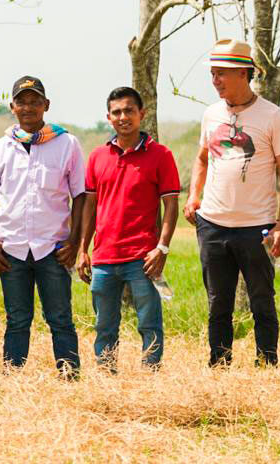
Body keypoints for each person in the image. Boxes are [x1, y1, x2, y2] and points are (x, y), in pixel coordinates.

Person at [184, 39, 280, 367]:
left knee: (262, 300)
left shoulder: (272, 116)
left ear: (242, 73)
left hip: (257, 227)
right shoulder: (211, 114)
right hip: (213, 226)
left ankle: (266, 365)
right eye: (213, 74)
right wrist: (194, 196)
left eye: (221, 74)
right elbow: (202, 159)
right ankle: (219, 366)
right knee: (218, 303)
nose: (215, 80)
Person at [0, 76, 85, 376]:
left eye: (35, 101)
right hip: (12, 248)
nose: (28, 107)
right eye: (21, 101)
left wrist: (75, 242)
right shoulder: (0, 148)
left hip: (53, 247)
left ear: (46, 106)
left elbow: (81, 196)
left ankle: (69, 374)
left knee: (60, 317)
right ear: (12, 107)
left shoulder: (66, 144)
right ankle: (14, 377)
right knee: (17, 318)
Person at [77, 86, 179, 370]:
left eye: (129, 111)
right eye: (117, 112)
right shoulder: (97, 157)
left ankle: (150, 377)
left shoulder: (161, 155)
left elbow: (170, 206)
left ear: (141, 114)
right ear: (108, 118)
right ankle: (106, 376)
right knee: (104, 326)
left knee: (149, 324)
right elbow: (90, 207)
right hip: (104, 258)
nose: (123, 117)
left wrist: (162, 248)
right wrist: (83, 250)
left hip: (143, 258)